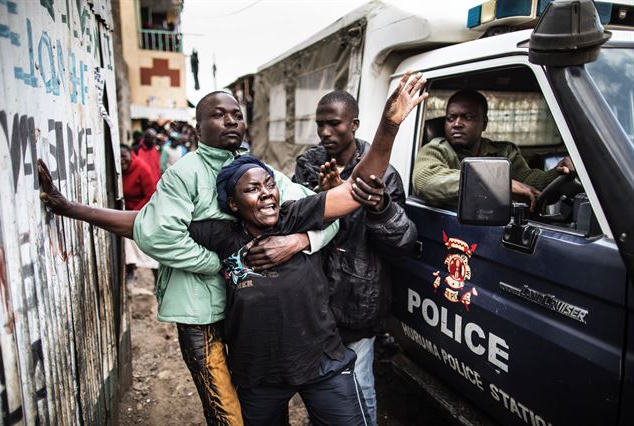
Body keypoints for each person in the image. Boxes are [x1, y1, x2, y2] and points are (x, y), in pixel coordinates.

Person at [38, 71, 428, 424]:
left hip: (302, 350)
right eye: (218, 114)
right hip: (207, 316)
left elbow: (340, 202)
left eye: (237, 115)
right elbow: (149, 230)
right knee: (230, 416)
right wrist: (227, 263)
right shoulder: (191, 184)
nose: (231, 121)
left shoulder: (271, 188)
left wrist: (303, 239)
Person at [292, 90, 417, 424]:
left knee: (358, 388)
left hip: (358, 302)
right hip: (314, 300)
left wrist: (379, 206)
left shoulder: (384, 175)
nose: (325, 132)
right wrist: (325, 200)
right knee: (320, 388)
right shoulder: (308, 165)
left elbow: (402, 242)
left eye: (333, 124)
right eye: (320, 124)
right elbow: (290, 222)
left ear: (354, 124)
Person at [412, 89, 575, 208]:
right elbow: (425, 181)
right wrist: (498, 183)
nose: (457, 124)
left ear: (484, 123)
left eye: (467, 117)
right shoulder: (436, 149)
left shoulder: (504, 152)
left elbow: (530, 183)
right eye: (451, 118)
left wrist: (558, 173)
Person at [119, 144, 158, 280]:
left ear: (131, 155)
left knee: (150, 249)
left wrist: (135, 213)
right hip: (127, 213)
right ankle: (131, 271)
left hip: (144, 212)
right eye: (119, 157)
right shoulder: (118, 172)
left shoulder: (142, 169)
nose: (122, 160)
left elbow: (151, 195)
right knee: (128, 245)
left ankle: (156, 279)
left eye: (124, 156)